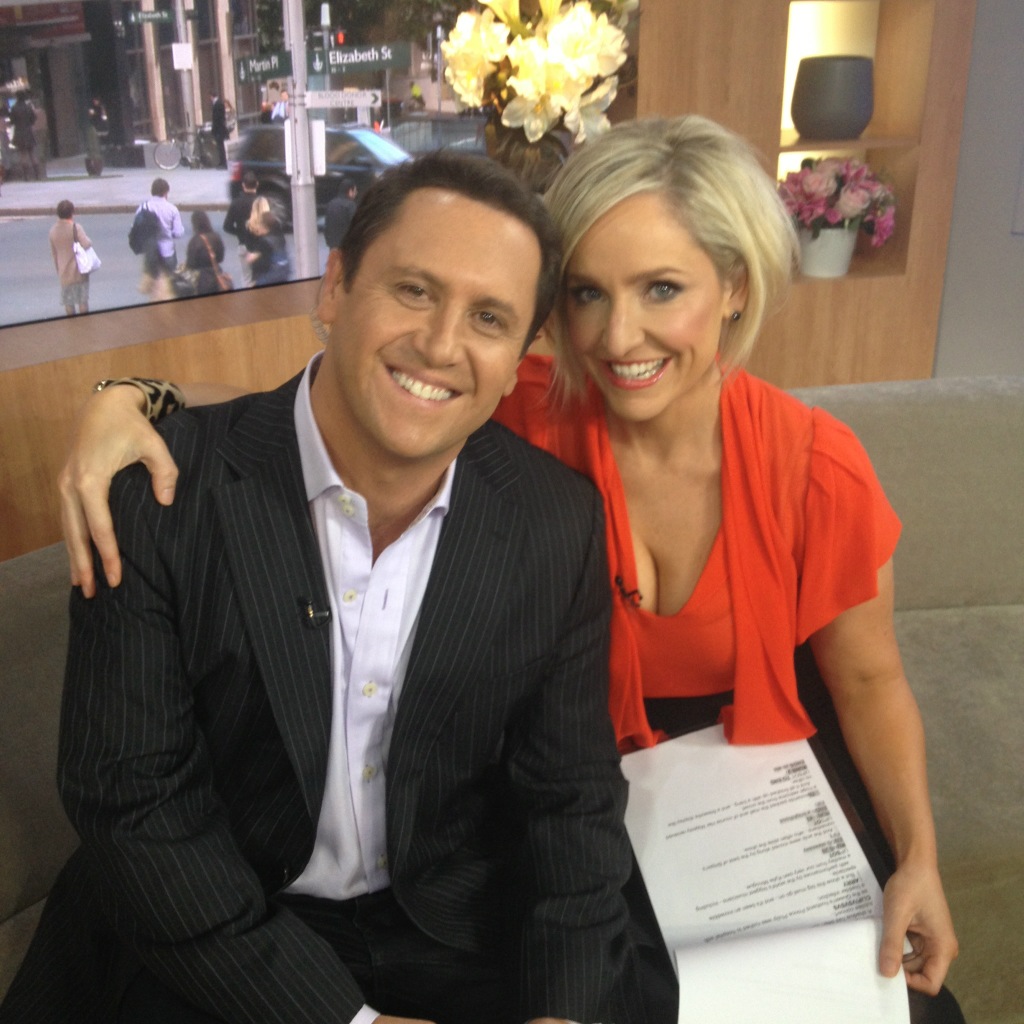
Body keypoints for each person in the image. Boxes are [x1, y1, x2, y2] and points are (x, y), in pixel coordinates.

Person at [56, 116, 962, 1022]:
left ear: (734, 287)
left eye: (661, 288)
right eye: (587, 294)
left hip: (713, 803)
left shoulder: (778, 471)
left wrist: (918, 857)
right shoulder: (518, 407)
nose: (619, 337)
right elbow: (332, 407)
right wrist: (133, 399)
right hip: (436, 852)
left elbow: (866, 680)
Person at [2, 152, 633, 1024]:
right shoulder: (160, 493)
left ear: (520, 355)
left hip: (446, 929)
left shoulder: (554, 520)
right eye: (413, 290)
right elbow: (133, 806)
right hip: (202, 928)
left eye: (489, 318)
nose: (441, 345)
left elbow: (571, 800)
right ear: (335, 288)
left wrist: (563, 1011)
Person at [136, 176, 185, 299]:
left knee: (154, 287)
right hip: (168, 252)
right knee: (169, 287)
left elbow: (137, 228)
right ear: (166, 192)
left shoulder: (143, 207)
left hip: (150, 251)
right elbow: (178, 233)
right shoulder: (172, 209)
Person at [48, 199, 91, 316]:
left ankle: (71, 323)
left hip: (64, 272)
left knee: (68, 302)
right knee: (82, 300)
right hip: (79, 271)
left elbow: (54, 254)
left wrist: (59, 270)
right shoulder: (76, 228)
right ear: (72, 212)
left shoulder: (53, 231)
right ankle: (84, 323)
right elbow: (86, 244)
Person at [223, 169, 260, 285]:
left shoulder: (236, 203)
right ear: (257, 184)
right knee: (261, 277)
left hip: (243, 244)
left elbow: (227, 226)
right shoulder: (260, 202)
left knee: (247, 278)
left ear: (243, 185)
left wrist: (239, 232)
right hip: (259, 245)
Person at [246, 196, 290, 286]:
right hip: (278, 274)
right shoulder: (275, 226)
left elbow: (251, 249)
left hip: (263, 274)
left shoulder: (250, 226)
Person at [183, 209, 227, 296]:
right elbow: (221, 258)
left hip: (202, 279)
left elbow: (190, 264)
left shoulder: (194, 241)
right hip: (217, 274)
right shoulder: (216, 237)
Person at [9, 91, 39, 181]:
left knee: (23, 154)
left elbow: (12, 121)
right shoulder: (28, 107)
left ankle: (26, 176)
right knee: (32, 154)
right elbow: (34, 119)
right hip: (29, 131)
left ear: (17, 97)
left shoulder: (14, 108)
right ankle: (37, 174)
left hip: (19, 132)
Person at [324, 176, 358, 252]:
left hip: (333, 247)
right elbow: (355, 226)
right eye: (355, 191)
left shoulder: (331, 204)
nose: (356, 194)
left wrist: (330, 243)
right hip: (347, 247)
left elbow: (326, 226)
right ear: (350, 191)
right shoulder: (351, 205)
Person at [210, 92, 231, 168]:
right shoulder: (219, 103)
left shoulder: (217, 104)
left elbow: (216, 118)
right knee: (220, 146)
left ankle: (223, 163)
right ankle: (222, 162)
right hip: (220, 128)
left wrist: (214, 129)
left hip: (219, 129)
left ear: (212, 96)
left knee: (220, 146)